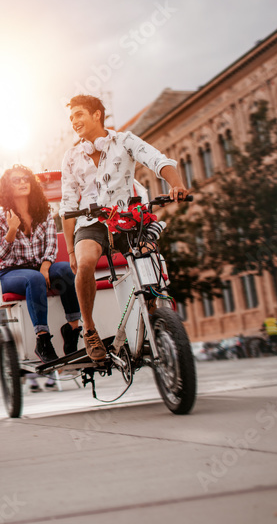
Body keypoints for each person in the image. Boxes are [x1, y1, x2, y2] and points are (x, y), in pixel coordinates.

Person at [60, 94, 189, 366]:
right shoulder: (71, 157)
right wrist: (71, 249)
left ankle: (152, 316)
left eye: (79, 115)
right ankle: (90, 329)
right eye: (71, 118)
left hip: (126, 219)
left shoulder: (124, 141)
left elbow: (156, 160)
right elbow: (68, 204)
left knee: (149, 255)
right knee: (85, 265)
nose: (74, 122)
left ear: (96, 115)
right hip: (90, 223)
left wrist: (175, 184)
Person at [0, 165, 81, 363]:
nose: (23, 182)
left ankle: (73, 329)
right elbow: (2, 254)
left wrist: (46, 266)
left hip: (42, 266)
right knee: (34, 279)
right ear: (8, 187)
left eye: (26, 179)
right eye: (16, 180)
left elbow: (51, 245)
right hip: (12, 272)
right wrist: (12, 230)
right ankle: (42, 340)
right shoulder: (1, 219)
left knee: (66, 270)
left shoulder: (44, 214)